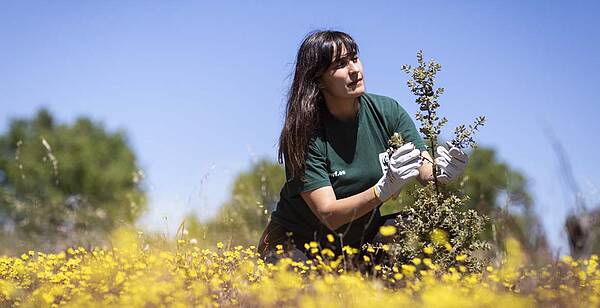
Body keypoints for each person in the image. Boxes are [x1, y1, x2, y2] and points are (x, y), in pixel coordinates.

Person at [257, 30, 468, 266]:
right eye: (340, 64)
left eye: (354, 58)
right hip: (297, 241)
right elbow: (329, 214)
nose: (354, 69)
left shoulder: (388, 112)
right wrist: (382, 190)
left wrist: (441, 172)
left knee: (428, 226)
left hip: (357, 242)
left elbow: (424, 170)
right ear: (318, 79)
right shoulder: (304, 132)